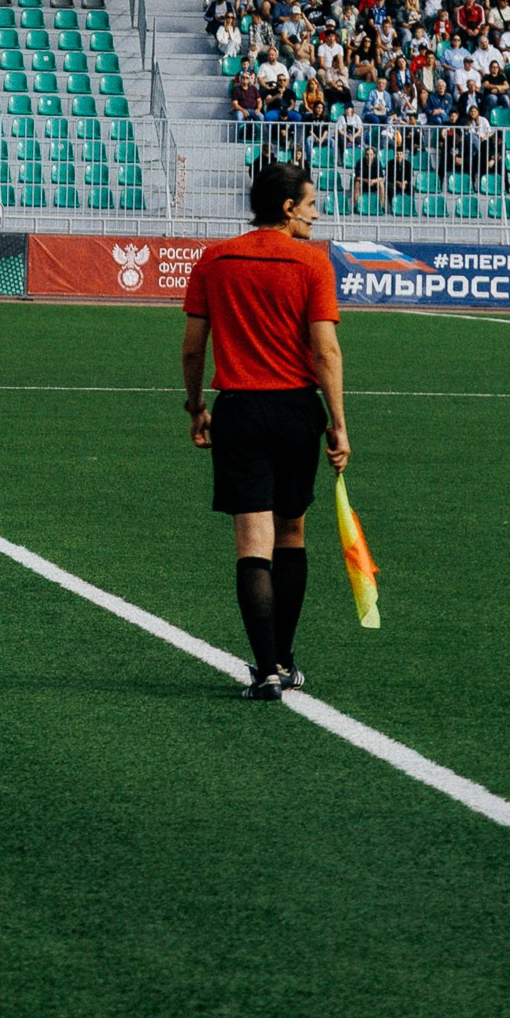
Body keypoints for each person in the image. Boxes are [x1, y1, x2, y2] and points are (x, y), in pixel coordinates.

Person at [182, 157, 349, 705]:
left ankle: (265, 671)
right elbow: (325, 349)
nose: (315, 216)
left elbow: (192, 345)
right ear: (286, 208)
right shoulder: (311, 263)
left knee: (251, 544)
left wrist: (195, 407)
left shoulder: (214, 258)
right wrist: (339, 424)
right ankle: (285, 658)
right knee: (292, 534)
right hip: (297, 412)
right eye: (311, 205)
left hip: (240, 411)